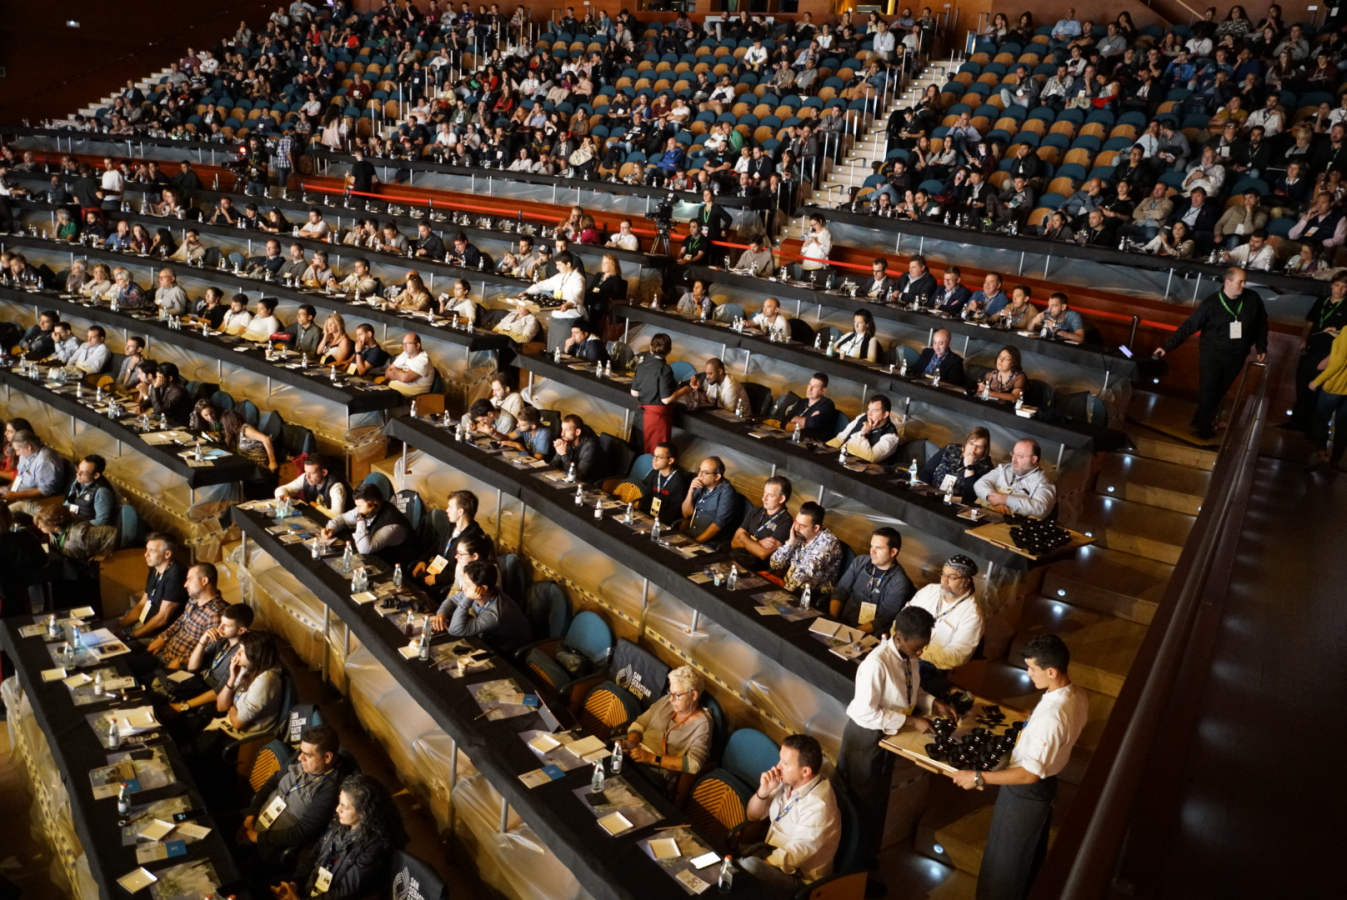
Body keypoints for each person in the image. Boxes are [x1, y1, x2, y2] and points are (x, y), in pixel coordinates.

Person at [949, 634, 1087, 900]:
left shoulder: (1054, 715)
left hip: (1026, 794)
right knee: (1026, 859)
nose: (1028, 673)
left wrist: (978, 778)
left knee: (1005, 867)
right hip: (1044, 786)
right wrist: (1029, 721)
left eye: (1032, 669)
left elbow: (1029, 774)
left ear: (1051, 671)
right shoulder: (1077, 695)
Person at [840, 607, 953, 885]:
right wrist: (911, 721)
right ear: (898, 637)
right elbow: (865, 713)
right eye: (917, 648)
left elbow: (911, 689)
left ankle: (866, 868)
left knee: (876, 805)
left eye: (924, 647)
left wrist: (931, 702)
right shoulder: (876, 664)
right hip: (864, 741)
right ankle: (851, 874)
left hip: (886, 738)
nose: (921, 653)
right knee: (860, 809)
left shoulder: (907, 656)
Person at [1153, 267, 1267, 439]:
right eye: (1240, 282)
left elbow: (1262, 324)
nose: (1244, 285)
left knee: (1219, 391)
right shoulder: (1211, 303)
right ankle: (1204, 428)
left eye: (1244, 281)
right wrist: (1167, 347)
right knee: (1209, 389)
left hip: (1237, 355)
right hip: (1212, 354)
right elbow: (1189, 326)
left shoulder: (1252, 299)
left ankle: (1200, 420)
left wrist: (1261, 346)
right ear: (1228, 282)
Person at [270, 773, 404, 900]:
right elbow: (314, 854)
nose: (337, 809)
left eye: (344, 806)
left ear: (363, 813)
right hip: (313, 887)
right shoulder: (341, 823)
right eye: (339, 803)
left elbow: (345, 891)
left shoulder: (375, 846)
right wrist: (296, 883)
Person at [239, 725, 353, 868]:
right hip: (255, 820)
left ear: (327, 757)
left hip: (270, 846)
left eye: (308, 755)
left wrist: (259, 838)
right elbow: (272, 782)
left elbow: (302, 831)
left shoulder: (330, 788)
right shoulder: (300, 758)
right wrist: (251, 813)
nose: (300, 757)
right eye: (300, 751)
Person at [740, 734, 841, 891]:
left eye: (785, 764)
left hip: (797, 878)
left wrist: (745, 871)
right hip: (769, 852)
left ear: (805, 771)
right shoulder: (788, 782)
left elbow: (793, 855)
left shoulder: (819, 806)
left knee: (748, 867)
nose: (778, 767)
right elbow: (753, 816)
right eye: (780, 760)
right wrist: (763, 792)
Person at [623, 665, 713, 796]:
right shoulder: (667, 700)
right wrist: (631, 742)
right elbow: (641, 722)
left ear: (693, 695)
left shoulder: (703, 724)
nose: (671, 699)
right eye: (671, 693)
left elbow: (694, 764)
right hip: (634, 753)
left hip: (655, 772)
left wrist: (651, 758)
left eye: (677, 695)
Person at [907, 555, 985, 699]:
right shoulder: (929, 591)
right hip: (905, 650)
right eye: (943, 574)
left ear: (966, 581)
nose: (944, 581)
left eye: (952, 577)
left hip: (931, 668)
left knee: (907, 694)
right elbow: (903, 618)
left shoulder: (972, 615)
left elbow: (956, 656)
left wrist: (917, 651)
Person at [162, 603, 252, 723]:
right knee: (158, 689)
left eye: (226, 626)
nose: (220, 628)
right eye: (221, 623)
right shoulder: (222, 640)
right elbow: (192, 667)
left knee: (170, 713)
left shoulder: (242, 654)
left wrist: (185, 705)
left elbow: (219, 691)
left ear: (241, 630)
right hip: (199, 682)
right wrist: (202, 642)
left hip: (212, 696)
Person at [138, 563, 228, 673]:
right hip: (165, 652)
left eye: (189, 579)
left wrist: (181, 662)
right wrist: (163, 638)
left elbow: (207, 652)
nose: (185, 584)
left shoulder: (217, 613)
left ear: (204, 581)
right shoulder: (193, 600)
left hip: (175, 666)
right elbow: (180, 622)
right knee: (128, 654)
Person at [830, 527, 915, 636]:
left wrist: (852, 633)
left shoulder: (899, 582)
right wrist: (833, 620)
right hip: (841, 621)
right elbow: (840, 592)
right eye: (871, 546)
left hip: (867, 633)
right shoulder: (860, 561)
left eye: (878, 548)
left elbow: (883, 619)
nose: (872, 551)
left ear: (893, 552)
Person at [1289, 273, 1347, 431]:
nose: (1339, 290)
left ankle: (1307, 426)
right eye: (1336, 285)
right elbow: (1310, 322)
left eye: (1343, 287)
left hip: (1328, 353)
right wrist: (1303, 339)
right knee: (1301, 384)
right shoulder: (1322, 301)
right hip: (1311, 347)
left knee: (1314, 388)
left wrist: (1330, 358)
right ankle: (1295, 421)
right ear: (1331, 285)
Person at [436, 559, 531, 652]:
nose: (463, 588)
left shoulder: (495, 613)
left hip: (505, 650)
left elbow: (455, 630)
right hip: (486, 636)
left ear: (483, 588)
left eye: (468, 585)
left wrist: (468, 599)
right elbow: (452, 600)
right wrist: (441, 613)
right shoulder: (484, 592)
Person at [412, 490, 487, 592]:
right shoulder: (451, 526)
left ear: (460, 512)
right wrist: (423, 560)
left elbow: (468, 572)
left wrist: (438, 578)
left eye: (450, 507)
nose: (447, 510)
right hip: (435, 569)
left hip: (447, 583)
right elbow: (437, 545)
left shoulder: (473, 539)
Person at [118, 533, 188, 640]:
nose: (146, 555)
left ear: (167, 554)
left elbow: (162, 618)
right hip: (144, 621)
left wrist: (131, 636)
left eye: (152, 551)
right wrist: (119, 626)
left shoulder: (176, 575)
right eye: (146, 550)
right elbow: (142, 604)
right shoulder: (155, 569)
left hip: (158, 632)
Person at [324, 483, 415, 565]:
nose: (357, 509)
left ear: (373, 505)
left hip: (393, 565)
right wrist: (331, 528)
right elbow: (343, 518)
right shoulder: (367, 509)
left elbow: (364, 549)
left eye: (359, 506)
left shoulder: (392, 526)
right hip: (376, 556)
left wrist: (360, 520)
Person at [631, 334, 689, 454]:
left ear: (651, 347)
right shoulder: (665, 369)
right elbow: (666, 399)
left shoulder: (641, 366)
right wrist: (684, 390)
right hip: (656, 419)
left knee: (638, 451)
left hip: (640, 416)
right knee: (655, 454)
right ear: (669, 351)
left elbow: (634, 393)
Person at [769, 501, 844, 594]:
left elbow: (801, 576)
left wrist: (778, 591)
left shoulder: (828, 542)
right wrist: (791, 543)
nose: (796, 528)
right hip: (789, 587)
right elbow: (774, 564)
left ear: (816, 528)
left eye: (802, 526)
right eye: (796, 522)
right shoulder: (799, 536)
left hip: (810, 595)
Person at [975, 439, 1057, 518]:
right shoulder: (1004, 469)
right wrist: (993, 499)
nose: (1014, 460)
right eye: (1013, 454)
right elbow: (980, 484)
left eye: (1020, 456)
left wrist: (1005, 500)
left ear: (1033, 459)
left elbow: (1041, 509)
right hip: (985, 516)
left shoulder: (1043, 481)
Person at [729, 475, 793, 568]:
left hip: (757, 568)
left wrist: (744, 537)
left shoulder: (786, 522)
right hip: (738, 559)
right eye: (764, 493)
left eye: (770, 495)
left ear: (781, 499)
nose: (764, 498)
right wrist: (758, 543)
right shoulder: (755, 511)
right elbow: (734, 543)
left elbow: (762, 553)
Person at [919, 427, 994, 503]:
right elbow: (926, 471)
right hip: (930, 494)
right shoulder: (950, 449)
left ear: (985, 450)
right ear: (966, 443)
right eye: (971, 444)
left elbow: (970, 496)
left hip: (954, 503)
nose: (973, 449)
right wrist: (925, 491)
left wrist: (969, 467)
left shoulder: (986, 467)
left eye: (979, 447)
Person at [0, 430, 68, 504]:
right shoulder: (24, 454)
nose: (17, 454)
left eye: (18, 450)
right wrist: (9, 488)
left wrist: (17, 495)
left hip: (36, 500)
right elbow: (20, 475)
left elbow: (45, 491)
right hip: (18, 493)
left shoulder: (45, 461)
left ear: (28, 447)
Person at [681, 456, 737, 545]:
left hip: (707, 542)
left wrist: (694, 543)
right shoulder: (701, 484)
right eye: (699, 470)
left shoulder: (727, 492)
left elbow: (717, 525)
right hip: (690, 534)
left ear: (717, 477)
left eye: (705, 473)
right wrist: (690, 491)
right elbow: (686, 514)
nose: (699, 475)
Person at [829, 395, 901, 463]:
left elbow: (868, 459)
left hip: (858, 469)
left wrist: (863, 435)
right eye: (869, 409)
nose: (869, 414)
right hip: (840, 456)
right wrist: (825, 449)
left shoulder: (891, 437)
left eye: (874, 411)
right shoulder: (863, 417)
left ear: (885, 414)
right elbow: (841, 437)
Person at [274, 455, 350, 517]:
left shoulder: (336, 487)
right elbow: (280, 489)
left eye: (311, 473)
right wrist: (283, 496)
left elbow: (336, 515)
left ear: (324, 472)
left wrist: (314, 507)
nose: (307, 476)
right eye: (306, 471)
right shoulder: (306, 478)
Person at [640, 442, 692, 528]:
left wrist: (655, 520)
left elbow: (674, 511)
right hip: (649, 518)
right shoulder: (654, 473)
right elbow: (647, 497)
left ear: (670, 460)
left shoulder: (678, 481)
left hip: (665, 523)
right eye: (654, 456)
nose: (654, 460)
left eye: (659, 457)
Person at [550, 414, 602, 483]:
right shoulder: (567, 440)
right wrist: (558, 450)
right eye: (562, 429)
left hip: (586, 484)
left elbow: (578, 476)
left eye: (566, 430)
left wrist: (563, 454)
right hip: (565, 478)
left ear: (577, 432)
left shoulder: (590, 446)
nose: (562, 434)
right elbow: (553, 465)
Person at [784, 374, 837, 439]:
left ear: (823, 391)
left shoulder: (827, 404)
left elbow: (813, 423)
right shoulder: (802, 401)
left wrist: (796, 420)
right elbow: (786, 419)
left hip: (811, 444)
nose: (809, 389)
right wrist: (805, 421)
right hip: (791, 437)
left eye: (815, 387)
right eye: (809, 384)